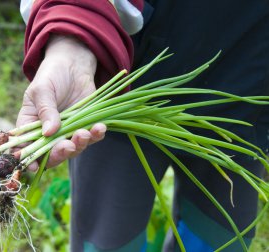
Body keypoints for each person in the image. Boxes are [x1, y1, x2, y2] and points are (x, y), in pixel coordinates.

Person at [16, 0, 269, 251]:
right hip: (120, 93)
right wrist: (72, 37)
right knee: (106, 239)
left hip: (245, 104)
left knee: (218, 240)